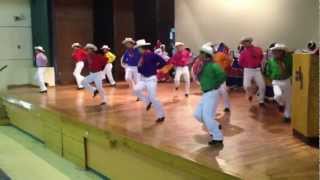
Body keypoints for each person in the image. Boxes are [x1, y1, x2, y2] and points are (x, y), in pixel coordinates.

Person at [192, 44, 226, 145]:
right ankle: (215, 125)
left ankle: (218, 137)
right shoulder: (204, 65)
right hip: (206, 93)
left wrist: (216, 85)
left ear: (206, 55)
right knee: (197, 115)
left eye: (201, 53)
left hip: (212, 93)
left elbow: (223, 76)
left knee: (207, 116)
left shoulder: (214, 65)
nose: (199, 55)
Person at [133, 39, 166, 123]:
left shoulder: (152, 55)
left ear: (142, 48)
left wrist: (155, 68)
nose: (137, 50)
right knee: (136, 90)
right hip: (143, 79)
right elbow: (139, 67)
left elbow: (163, 62)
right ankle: (147, 101)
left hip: (151, 79)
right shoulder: (139, 56)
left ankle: (161, 115)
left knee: (153, 98)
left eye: (138, 48)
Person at [264, 43, 292, 122]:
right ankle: (281, 104)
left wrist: (286, 50)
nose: (275, 53)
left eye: (278, 51)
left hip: (286, 80)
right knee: (277, 95)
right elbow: (268, 72)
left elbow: (291, 65)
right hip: (276, 81)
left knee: (289, 99)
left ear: (282, 52)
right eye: (274, 51)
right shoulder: (270, 61)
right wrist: (271, 77)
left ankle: (287, 116)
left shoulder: (287, 59)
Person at [239, 37, 266, 106]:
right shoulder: (243, 53)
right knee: (246, 85)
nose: (245, 44)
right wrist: (246, 67)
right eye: (243, 43)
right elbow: (240, 63)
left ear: (250, 42)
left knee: (262, 85)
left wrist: (261, 66)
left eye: (246, 42)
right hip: (247, 70)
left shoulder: (258, 49)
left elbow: (262, 58)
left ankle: (261, 101)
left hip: (257, 70)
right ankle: (250, 94)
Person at [213, 42, 232, 112]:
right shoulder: (211, 56)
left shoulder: (221, 55)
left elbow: (229, 62)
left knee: (223, 91)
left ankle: (226, 106)